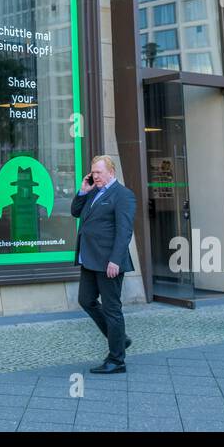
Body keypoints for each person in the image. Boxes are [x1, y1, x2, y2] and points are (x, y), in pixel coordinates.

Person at [72, 154, 136, 374]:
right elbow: (75, 212)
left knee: (112, 309)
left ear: (111, 172)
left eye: (99, 172)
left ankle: (117, 360)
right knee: (86, 300)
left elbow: (124, 231)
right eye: (93, 172)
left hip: (109, 262)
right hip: (90, 259)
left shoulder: (123, 195)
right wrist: (83, 191)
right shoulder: (93, 192)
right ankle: (119, 338)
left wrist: (115, 260)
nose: (94, 176)